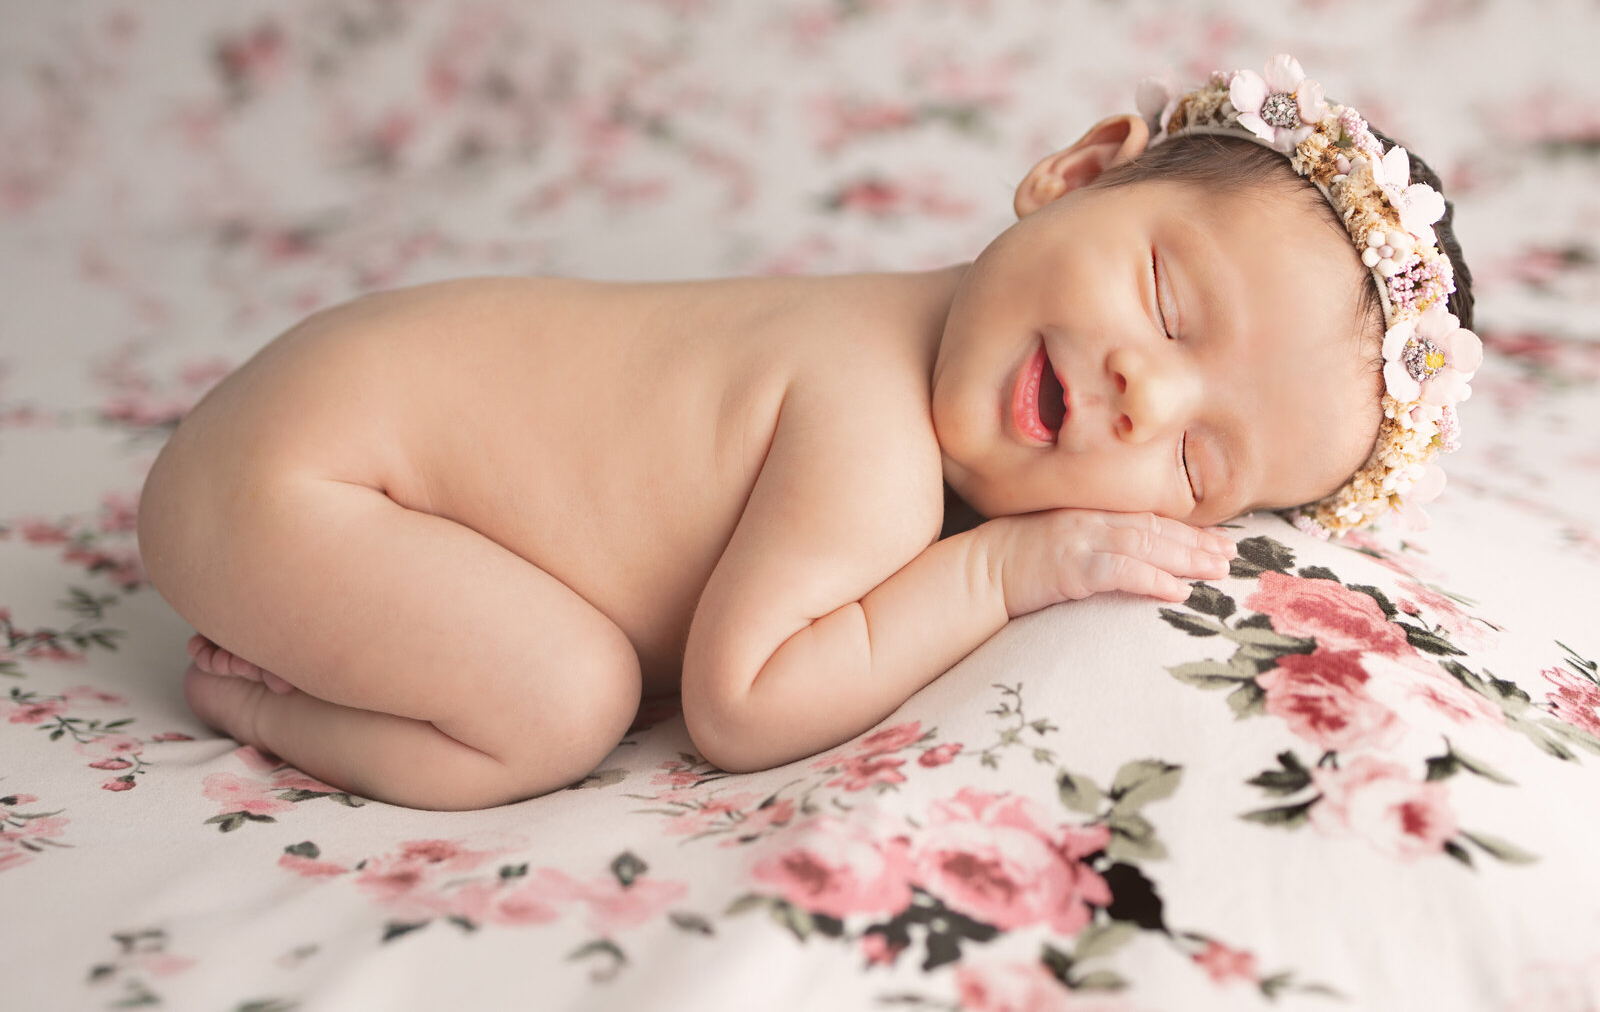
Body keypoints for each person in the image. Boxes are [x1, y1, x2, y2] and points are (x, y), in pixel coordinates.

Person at [135, 56, 1480, 811]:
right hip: (301, 482)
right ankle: (263, 702)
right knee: (565, 704)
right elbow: (739, 702)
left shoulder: (914, 315)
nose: (1147, 396)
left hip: (336, 392)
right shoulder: (874, 440)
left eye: (1196, 466)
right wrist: (1008, 570)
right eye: (1167, 300)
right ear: (1073, 172)